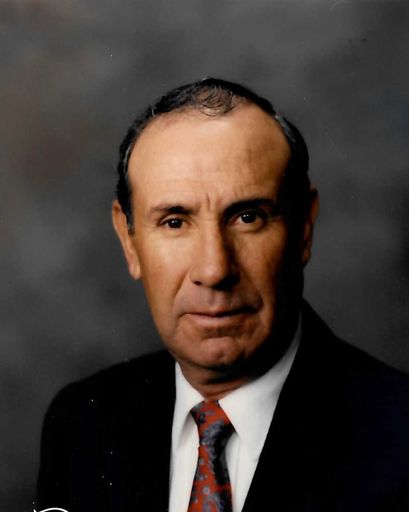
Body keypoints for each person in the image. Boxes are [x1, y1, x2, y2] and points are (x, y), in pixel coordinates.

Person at [36, 78, 409, 512]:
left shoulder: (398, 436)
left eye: (248, 217)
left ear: (304, 228)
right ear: (129, 240)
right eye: (175, 222)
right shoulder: (81, 423)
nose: (214, 270)